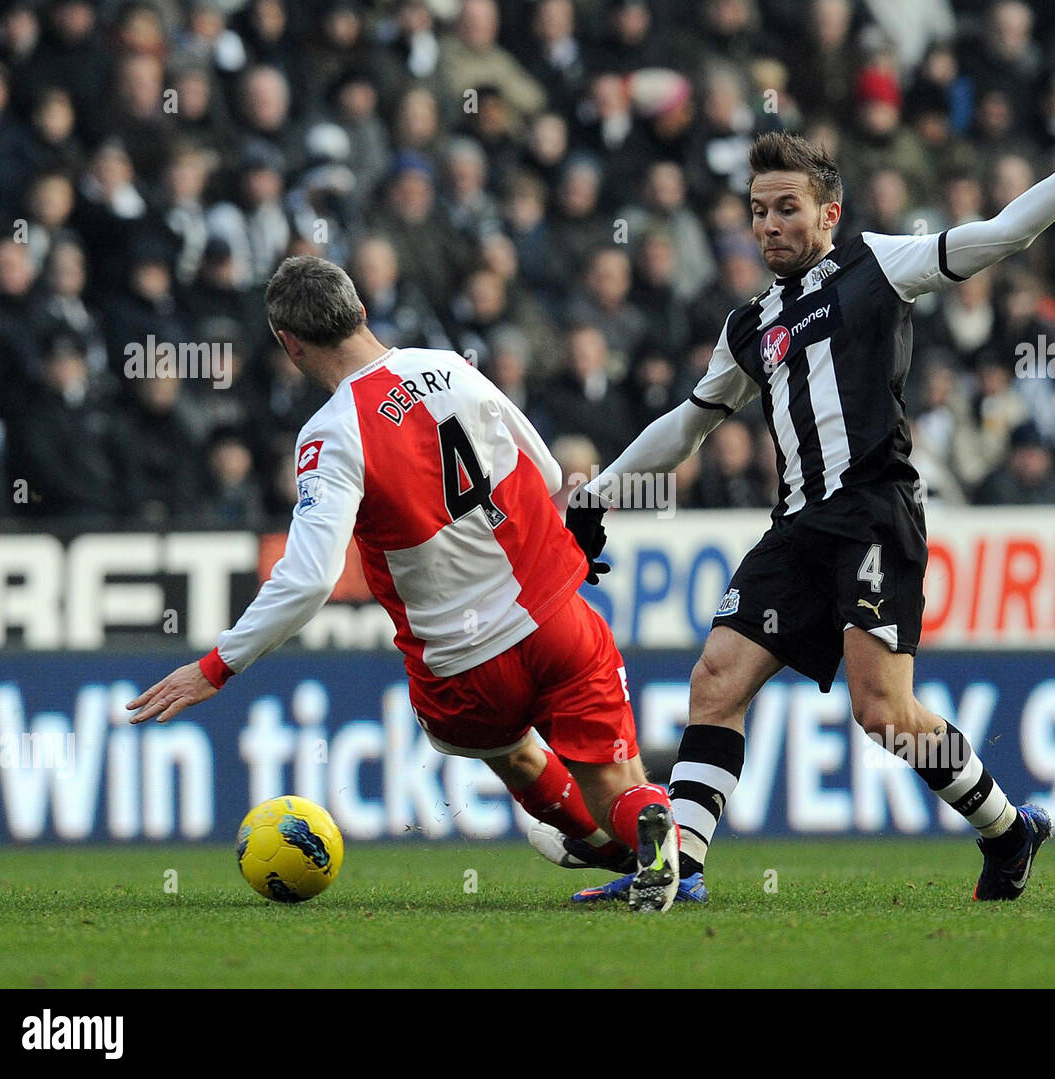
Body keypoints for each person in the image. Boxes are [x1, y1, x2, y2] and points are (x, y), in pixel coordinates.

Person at [550, 52, 1055, 905]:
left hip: (872, 514)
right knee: (716, 679)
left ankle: (1009, 830)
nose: (769, 225)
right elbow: (688, 423)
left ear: (830, 211)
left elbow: (1003, 233)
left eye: (787, 208)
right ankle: (680, 869)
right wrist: (599, 495)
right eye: (758, 212)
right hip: (795, 526)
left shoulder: (881, 265)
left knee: (886, 716)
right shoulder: (749, 324)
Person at [127, 255, 680, 913]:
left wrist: (217, 666)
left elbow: (308, 579)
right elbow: (549, 463)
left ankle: (601, 845)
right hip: (554, 614)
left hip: (462, 662)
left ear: (289, 344)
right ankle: (643, 833)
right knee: (618, 778)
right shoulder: (447, 365)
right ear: (361, 309)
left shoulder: (330, 434)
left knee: (518, 757)